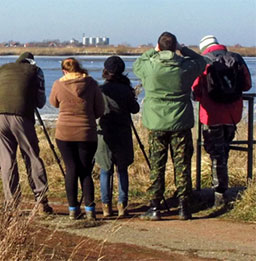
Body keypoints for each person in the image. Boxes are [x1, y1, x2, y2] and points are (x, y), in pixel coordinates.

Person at [133, 32, 206, 220]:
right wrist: (184, 50)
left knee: (157, 165)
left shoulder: (150, 66)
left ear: (159, 46)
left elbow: (137, 64)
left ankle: (155, 207)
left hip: (156, 122)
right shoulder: (186, 66)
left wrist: (153, 51)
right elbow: (202, 60)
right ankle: (184, 206)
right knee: (182, 164)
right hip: (180, 120)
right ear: (175, 47)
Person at [192, 35, 252, 207]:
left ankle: (219, 193)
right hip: (233, 115)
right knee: (224, 150)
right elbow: (247, 84)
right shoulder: (237, 58)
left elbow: (195, 88)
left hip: (211, 115)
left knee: (216, 153)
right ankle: (221, 189)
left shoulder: (203, 61)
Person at [0, 52, 53, 214]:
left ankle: (11, 204)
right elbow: (40, 102)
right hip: (21, 116)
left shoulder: (2, 69)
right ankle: (41, 201)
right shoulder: (35, 71)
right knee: (32, 156)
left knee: (7, 161)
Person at [49, 57, 104, 220]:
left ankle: (73, 208)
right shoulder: (92, 83)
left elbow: (53, 103)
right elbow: (100, 109)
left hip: (64, 132)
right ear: (79, 68)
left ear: (64, 71)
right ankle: (90, 209)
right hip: (87, 131)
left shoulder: (59, 84)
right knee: (86, 170)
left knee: (71, 169)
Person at [95, 56, 140, 217]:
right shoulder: (125, 89)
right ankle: (122, 205)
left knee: (105, 170)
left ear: (106, 70)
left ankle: (106, 207)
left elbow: (95, 110)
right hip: (122, 132)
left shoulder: (101, 90)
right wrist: (132, 96)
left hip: (105, 132)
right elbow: (135, 109)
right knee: (122, 170)